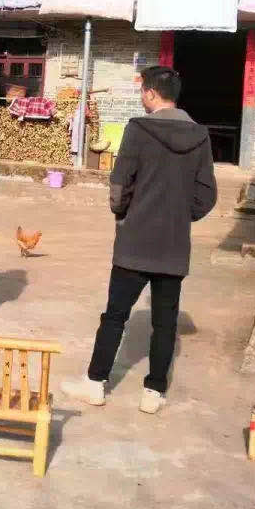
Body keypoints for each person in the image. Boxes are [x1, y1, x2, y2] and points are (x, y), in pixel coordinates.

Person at [63, 66, 216, 415]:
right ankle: (154, 393)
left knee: (115, 315)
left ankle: (95, 384)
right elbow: (206, 194)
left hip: (135, 241)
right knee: (165, 323)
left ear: (150, 93)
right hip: (174, 244)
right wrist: (179, 217)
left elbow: (120, 183)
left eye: (142, 92)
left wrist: (124, 214)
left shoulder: (138, 128)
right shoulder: (200, 135)